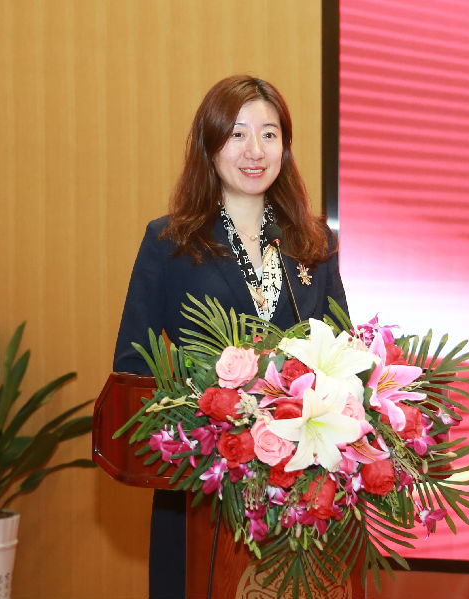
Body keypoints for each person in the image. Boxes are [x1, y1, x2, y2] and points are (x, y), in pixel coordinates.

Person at [112, 75, 348, 598]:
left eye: (269, 134)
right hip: (202, 486)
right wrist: (205, 420)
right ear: (210, 145)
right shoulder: (170, 241)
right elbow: (134, 364)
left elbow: (342, 354)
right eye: (237, 134)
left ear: (285, 147)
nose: (254, 150)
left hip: (301, 489)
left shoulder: (314, 243)